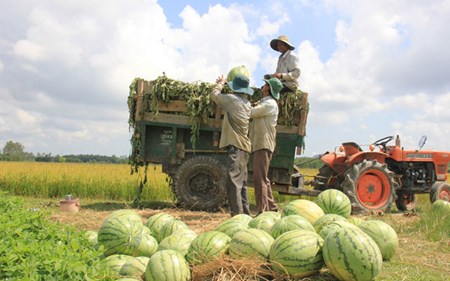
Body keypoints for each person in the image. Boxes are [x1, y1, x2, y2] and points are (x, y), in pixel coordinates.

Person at [210, 73, 253, 217]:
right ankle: (245, 215)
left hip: (236, 146)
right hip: (245, 147)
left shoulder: (232, 100)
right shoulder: (247, 103)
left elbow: (214, 95)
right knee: (242, 183)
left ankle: (237, 216)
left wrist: (220, 83)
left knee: (233, 182)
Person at [250, 77, 283, 215]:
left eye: (265, 84)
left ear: (269, 88)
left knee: (259, 178)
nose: (263, 86)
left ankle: (261, 211)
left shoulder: (269, 104)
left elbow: (251, 112)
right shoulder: (265, 102)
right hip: (261, 143)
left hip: (263, 144)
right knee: (263, 177)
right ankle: (271, 207)